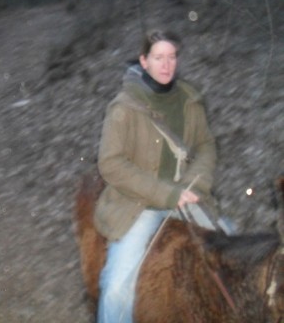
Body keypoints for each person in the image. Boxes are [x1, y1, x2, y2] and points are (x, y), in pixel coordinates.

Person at [93, 30, 227, 323]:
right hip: (140, 204)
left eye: (171, 57)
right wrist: (167, 194)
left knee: (236, 256)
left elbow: (205, 145)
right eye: (158, 58)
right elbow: (110, 163)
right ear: (144, 61)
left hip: (188, 197)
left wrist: (193, 185)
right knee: (117, 288)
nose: (166, 65)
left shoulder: (190, 101)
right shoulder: (124, 107)